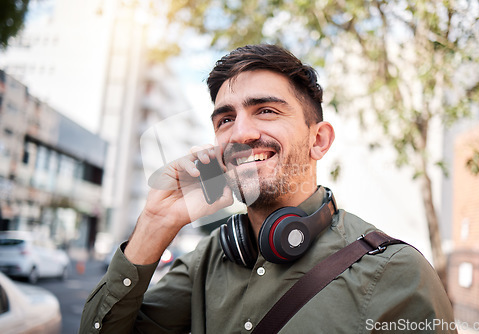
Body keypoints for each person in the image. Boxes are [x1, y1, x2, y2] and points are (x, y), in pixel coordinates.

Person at [80, 44, 456, 333]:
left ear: (319, 141)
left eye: (266, 110)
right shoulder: (206, 262)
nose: (241, 134)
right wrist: (154, 222)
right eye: (225, 119)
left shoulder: (397, 273)